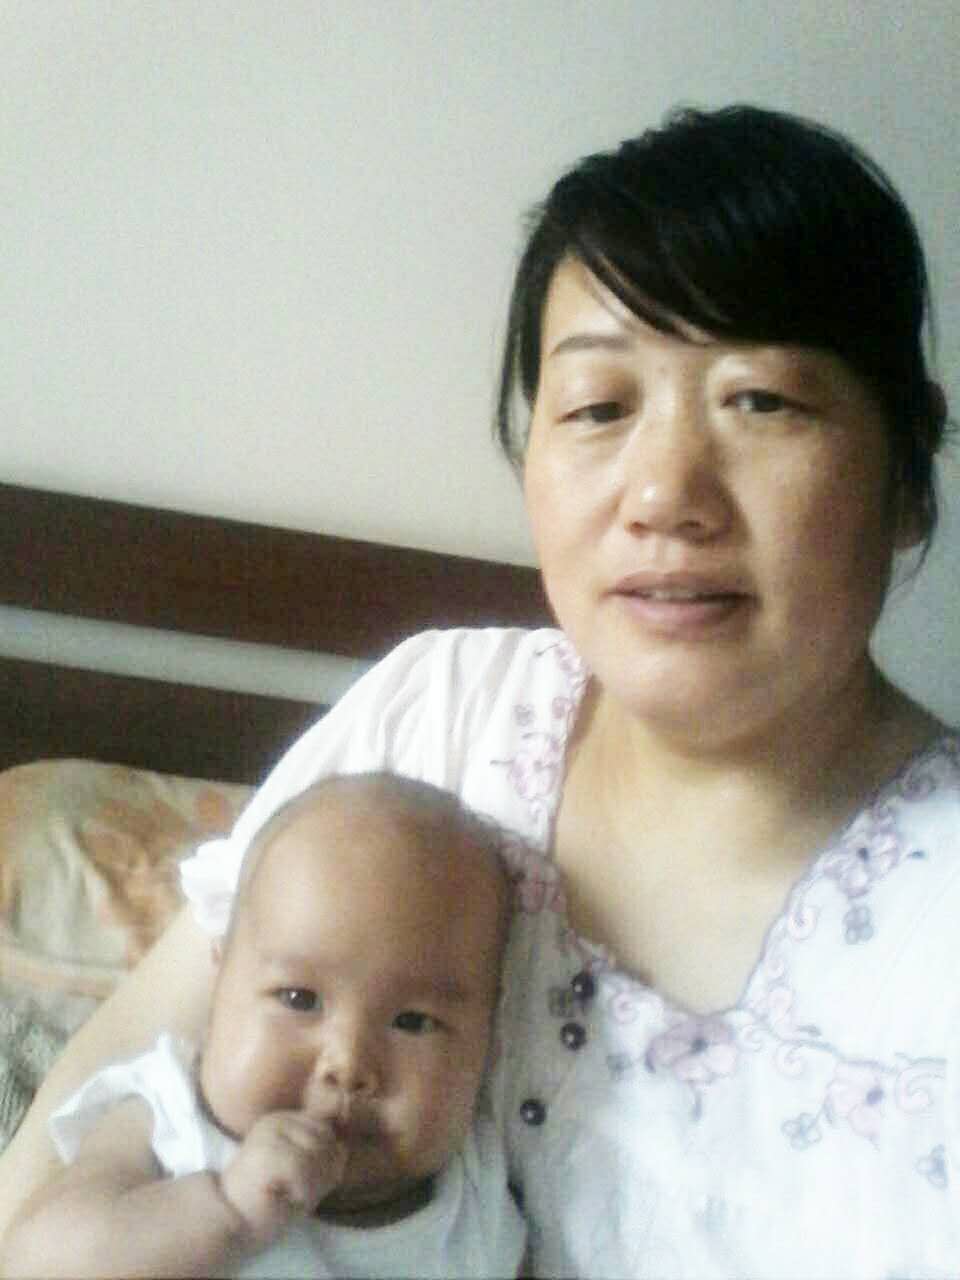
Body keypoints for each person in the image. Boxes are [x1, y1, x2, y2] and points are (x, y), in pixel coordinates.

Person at [0, 103, 956, 1278]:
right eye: (599, 407)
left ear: (908, 473)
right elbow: (92, 1127)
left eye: (761, 400)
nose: (665, 491)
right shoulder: (440, 716)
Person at [1, 773, 525, 1278]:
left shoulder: (475, 1201)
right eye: (299, 999)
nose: (347, 1064)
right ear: (219, 982)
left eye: (413, 1022)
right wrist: (230, 1211)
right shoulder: (167, 1116)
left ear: (489, 1039)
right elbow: (33, 1260)